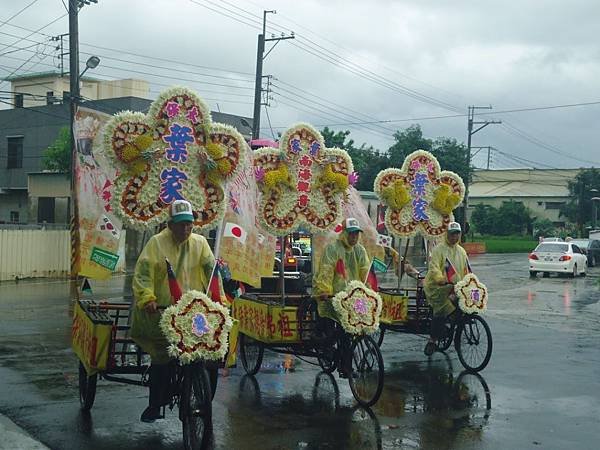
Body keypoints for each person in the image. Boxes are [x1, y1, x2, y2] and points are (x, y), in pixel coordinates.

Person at [131, 199, 224, 423]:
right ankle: (155, 404)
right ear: (170, 224)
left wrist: (219, 300)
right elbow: (143, 274)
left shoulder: (201, 243)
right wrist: (147, 298)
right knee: (162, 358)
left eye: (189, 225)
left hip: (195, 313)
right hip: (162, 312)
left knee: (208, 355)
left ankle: (203, 399)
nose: (185, 229)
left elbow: (212, 273)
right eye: (181, 225)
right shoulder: (156, 243)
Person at [312, 217, 372, 376]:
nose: (354, 237)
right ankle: (339, 360)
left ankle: (345, 363)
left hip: (353, 296)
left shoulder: (360, 250)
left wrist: (370, 289)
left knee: (353, 327)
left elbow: (365, 270)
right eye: (351, 234)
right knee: (339, 328)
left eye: (356, 234)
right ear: (344, 234)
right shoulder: (333, 249)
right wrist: (325, 290)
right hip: (333, 296)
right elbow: (326, 270)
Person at [423, 221, 470, 356]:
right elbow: (434, 267)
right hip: (437, 288)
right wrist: (440, 279)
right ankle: (432, 340)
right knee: (441, 310)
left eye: (457, 234)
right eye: (452, 234)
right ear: (447, 234)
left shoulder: (461, 251)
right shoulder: (439, 249)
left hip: (454, 287)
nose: (454, 237)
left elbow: (466, 269)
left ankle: (455, 329)